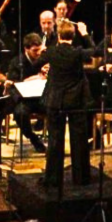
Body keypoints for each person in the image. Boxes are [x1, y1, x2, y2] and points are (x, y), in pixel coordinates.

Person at [41, 21, 96, 187]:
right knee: (79, 139)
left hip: (55, 100)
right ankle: (81, 178)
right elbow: (95, 50)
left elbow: (37, 64)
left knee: (55, 140)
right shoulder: (78, 52)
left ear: (58, 36)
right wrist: (85, 33)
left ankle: (53, 179)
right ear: (73, 36)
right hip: (76, 100)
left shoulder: (51, 51)